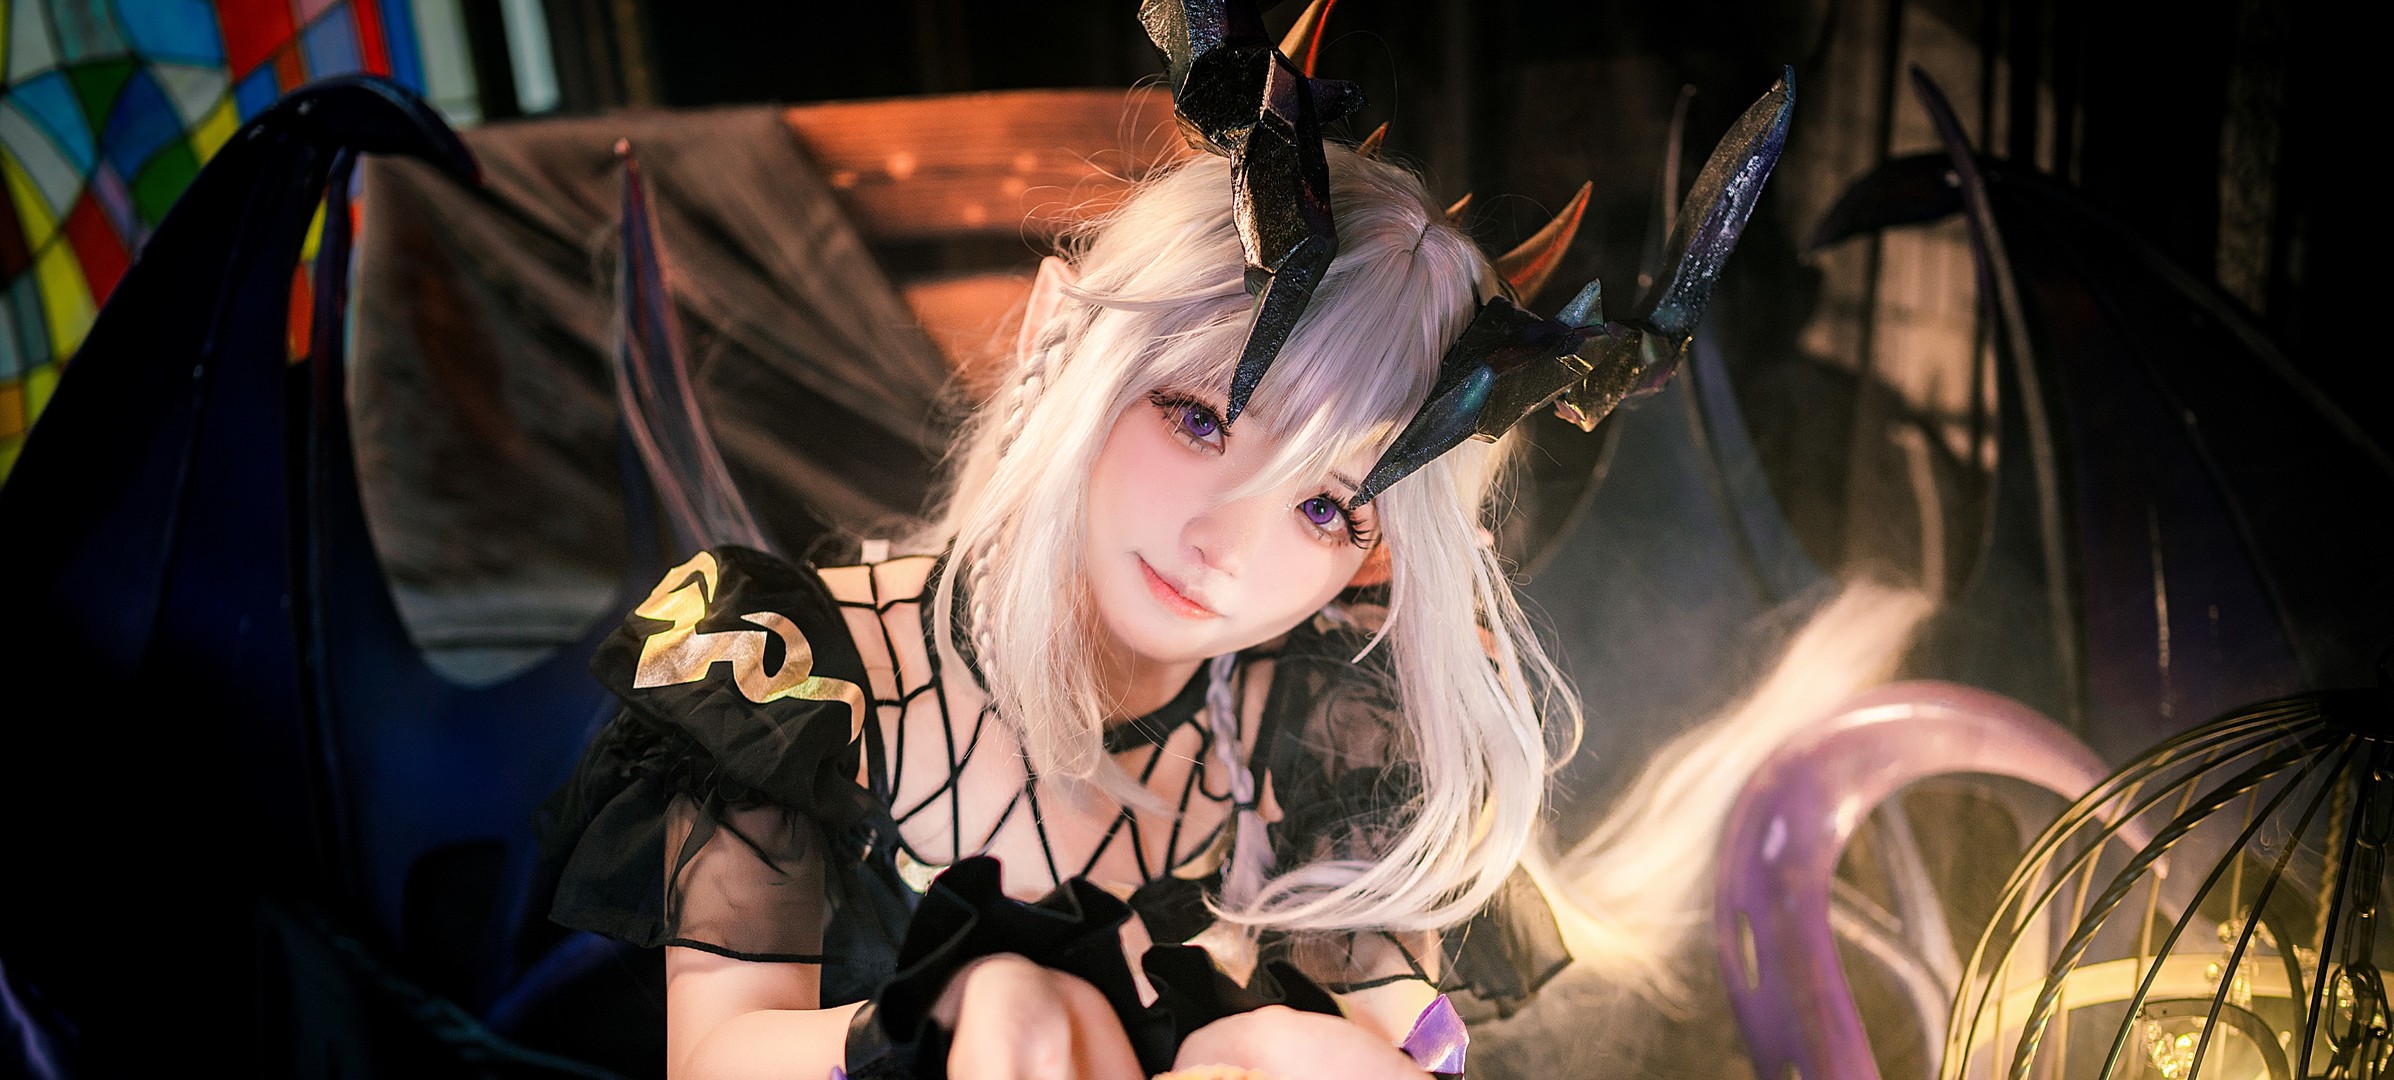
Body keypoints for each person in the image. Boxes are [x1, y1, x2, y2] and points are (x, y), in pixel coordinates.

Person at [541, 135, 1585, 1080]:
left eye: (1324, 508)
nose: (1224, 545)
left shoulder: (1336, 731)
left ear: (1378, 554)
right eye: (1200, 419)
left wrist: (1272, 1049)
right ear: (1060, 330)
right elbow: (717, 1057)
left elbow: (1392, 1042)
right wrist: (944, 1021)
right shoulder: (789, 671)